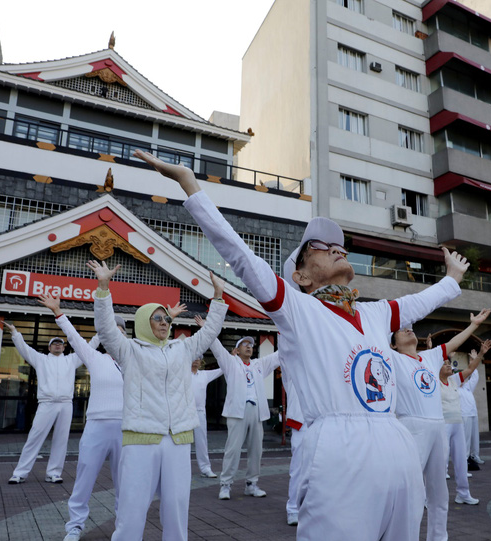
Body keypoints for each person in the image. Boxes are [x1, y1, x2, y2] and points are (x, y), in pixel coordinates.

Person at [134, 149, 469, 541]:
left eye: (340, 245)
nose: (336, 247)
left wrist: (451, 280)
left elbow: (419, 302)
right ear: (301, 276)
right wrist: (191, 187)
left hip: (396, 446)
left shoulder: (375, 314)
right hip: (338, 449)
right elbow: (242, 258)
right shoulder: (297, 309)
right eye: (320, 245)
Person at [89, 261, 227, 541]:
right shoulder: (128, 350)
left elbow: (210, 332)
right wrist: (103, 289)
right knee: (132, 509)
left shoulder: (182, 348)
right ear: (143, 323)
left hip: (178, 439)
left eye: (166, 319)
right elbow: (105, 329)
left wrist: (219, 298)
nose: (164, 323)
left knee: (177, 508)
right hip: (141, 440)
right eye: (158, 318)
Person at [32, 293, 126, 541]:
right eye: (112, 331)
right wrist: (58, 313)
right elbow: (73, 337)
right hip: (97, 426)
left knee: (125, 485)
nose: (116, 335)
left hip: (126, 429)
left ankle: (124, 527)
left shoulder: (133, 360)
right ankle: (74, 527)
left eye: (121, 331)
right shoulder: (95, 358)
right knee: (84, 480)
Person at [391, 311, 490, 541]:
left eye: (410, 327)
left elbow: (454, 342)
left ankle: (439, 537)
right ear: (394, 344)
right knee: (413, 493)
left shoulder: (430, 357)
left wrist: (473, 325)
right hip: (412, 426)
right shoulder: (392, 357)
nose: (408, 329)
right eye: (401, 329)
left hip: (438, 426)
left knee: (439, 494)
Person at [5, 310, 87, 484]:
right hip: (47, 403)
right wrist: (15, 333)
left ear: (64, 347)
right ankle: (20, 473)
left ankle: (54, 473)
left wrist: (101, 335)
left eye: (60, 344)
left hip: (66, 404)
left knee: (61, 440)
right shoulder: (41, 359)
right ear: (49, 347)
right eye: (54, 344)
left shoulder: (72, 360)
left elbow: (87, 348)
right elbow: (24, 349)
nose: (57, 345)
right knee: (35, 437)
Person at [204, 329, 280, 500]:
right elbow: (217, 349)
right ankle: (225, 484)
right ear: (237, 350)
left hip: (257, 411)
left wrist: (291, 334)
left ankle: (251, 484)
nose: (249, 347)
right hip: (238, 411)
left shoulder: (258, 365)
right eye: (244, 345)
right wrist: (207, 328)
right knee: (233, 449)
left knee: (256, 450)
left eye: (251, 345)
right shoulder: (231, 363)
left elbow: (277, 356)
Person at [440, 348, 483, 507]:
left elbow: (471, 369)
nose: (448, 366)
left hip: (458, 423)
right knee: (440, 460)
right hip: (443, 424)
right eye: (444, 364)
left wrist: (480, 355)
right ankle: (430, 496)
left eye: (449, 364)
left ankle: (463, 494)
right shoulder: (434, 381)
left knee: (461, 461)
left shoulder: (454, 380)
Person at [189, 350, 223, 479]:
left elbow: (222, 370)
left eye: (199, 358)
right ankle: (182, 469)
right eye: (194, 357)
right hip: (184, 412)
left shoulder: (204, 375)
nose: (196, 359)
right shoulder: (182, 374)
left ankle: (205, 468)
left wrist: (231, 357)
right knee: (183, 442)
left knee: (202, 441)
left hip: (200, 412)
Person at [459, 341, 491, 470]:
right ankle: (465, 458)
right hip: (463, 415)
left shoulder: (467, 387)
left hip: (473, 414)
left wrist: (473, 359)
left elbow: (475, 376)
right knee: (465, 439)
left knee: (474, 438)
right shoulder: (454, 387)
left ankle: (475, 455)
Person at [281, 362, 305, 526]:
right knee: (298, 469)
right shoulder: (292, 368)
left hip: (321, 422)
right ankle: (293, 508)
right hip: (301, 423)